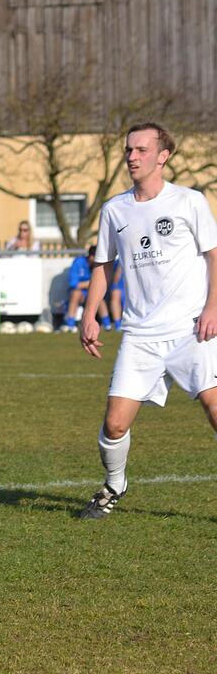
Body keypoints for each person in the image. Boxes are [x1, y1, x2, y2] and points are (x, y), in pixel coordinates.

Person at [78, 122, 217, 519]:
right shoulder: (114, 210)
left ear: (163, 156)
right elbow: (103, 267)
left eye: (141, 149)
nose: (132, 156)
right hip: (140, 334)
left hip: (192, 329)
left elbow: (214, 256)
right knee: (115, 425)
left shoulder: (189, 201)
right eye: (129, 150)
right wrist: (89, 315)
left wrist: (213, 308)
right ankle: (114, 483)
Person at [61, 245, 111, 332]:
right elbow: (74, 284)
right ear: (91, 256)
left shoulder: (101, 266)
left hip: (92, 293)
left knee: (98, 297)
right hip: (80, 294)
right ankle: (70, 324)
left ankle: (107, 325)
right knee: (76, 293)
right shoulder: (78, 262)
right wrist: (92, 284)